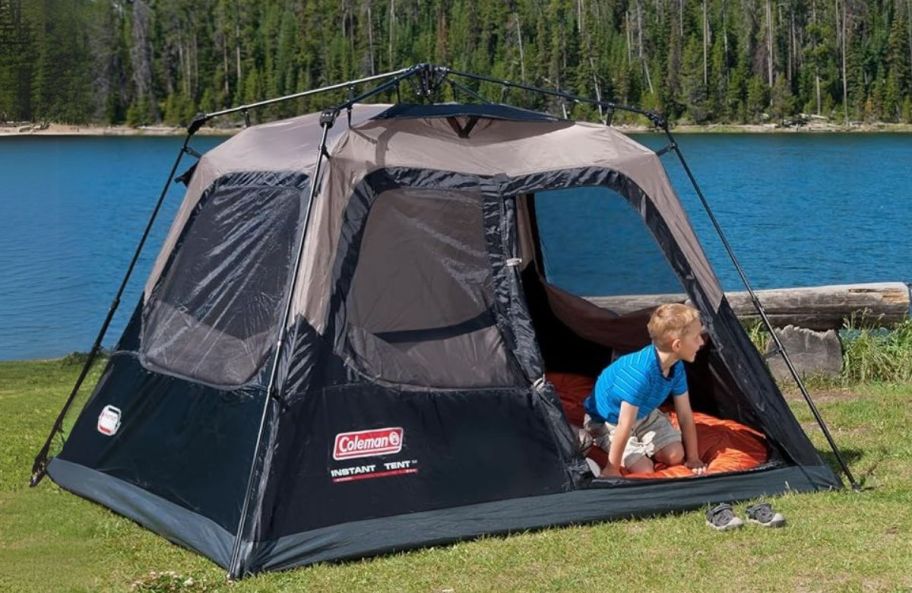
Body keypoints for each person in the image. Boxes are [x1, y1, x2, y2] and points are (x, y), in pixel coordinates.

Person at [582, 303, 707, 478]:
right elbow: (624, 424)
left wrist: (693, 458)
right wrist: (612, 468)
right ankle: (607, 445)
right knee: (644, 469)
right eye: (696, 338)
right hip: (609, 421)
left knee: (676, 455)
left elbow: (685, 414)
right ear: (677, 345)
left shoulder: (675, 366)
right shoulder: (638, 373)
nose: (701, 342)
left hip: (643, 414)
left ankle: (645, 444)